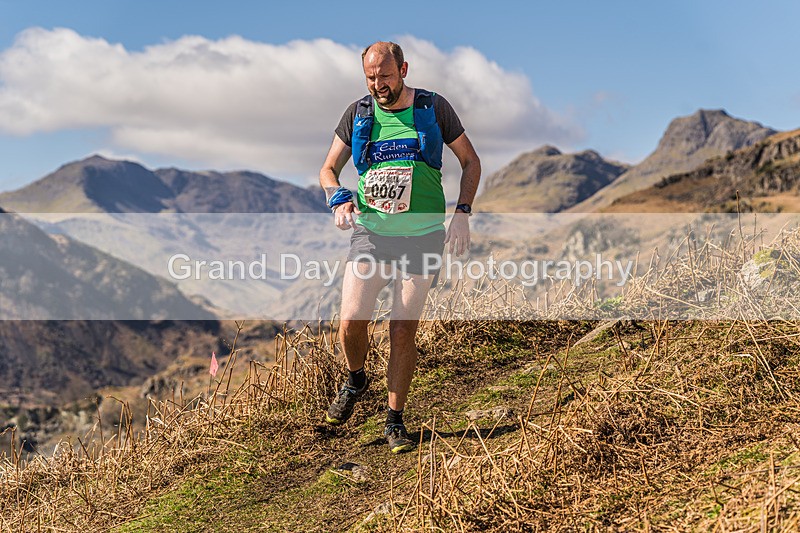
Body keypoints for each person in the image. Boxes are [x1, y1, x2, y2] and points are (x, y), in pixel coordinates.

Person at [319, 41, 480, 453]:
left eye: (385, 76)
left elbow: (470, 160)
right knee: (351, 323)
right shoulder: (358, 114)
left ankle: (395, 421)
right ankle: (356, 379)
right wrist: (337, 196)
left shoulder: (432, 107)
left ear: (403, 69)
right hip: (371, 235)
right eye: (371, 78)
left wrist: (462, 211)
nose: (378, 85)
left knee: (402, 329)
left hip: (422, 236)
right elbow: (328, 169)